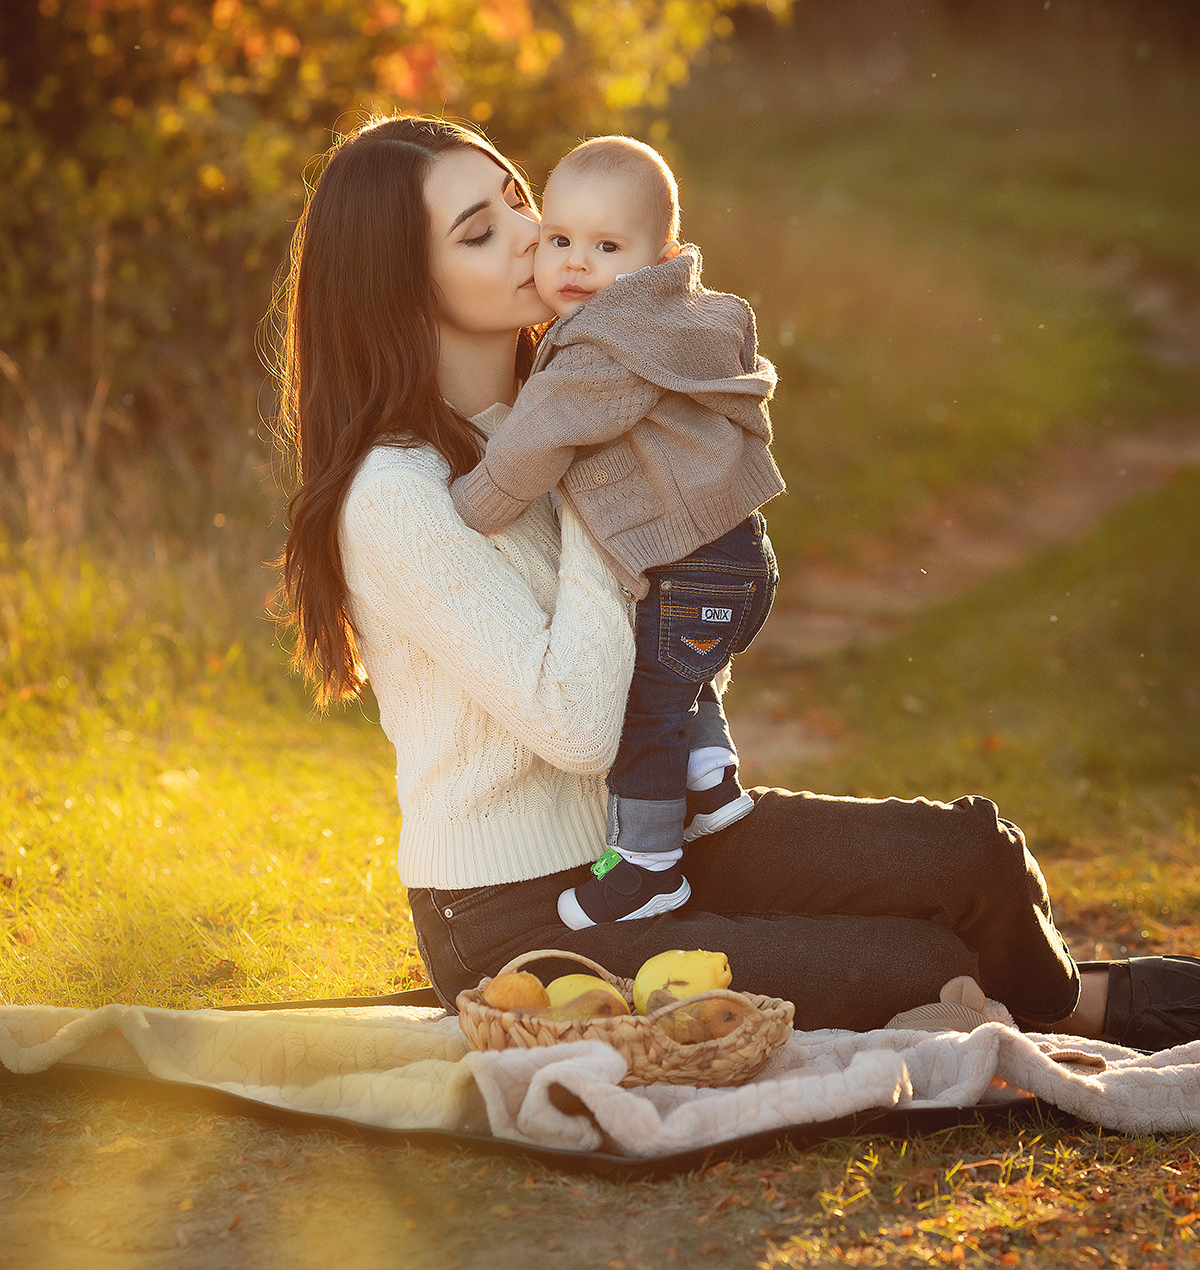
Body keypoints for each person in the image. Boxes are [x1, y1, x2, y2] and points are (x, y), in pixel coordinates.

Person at [274, 110, 1200, 1050]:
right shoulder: (399, 495)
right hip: (518, 917)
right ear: (400, 288)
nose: (531, 234)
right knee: (919, 966)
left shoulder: (579, 400)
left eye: (519, 200)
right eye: (480, 232)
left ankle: (1066, 1003)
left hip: (663, 842)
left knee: (975, 855)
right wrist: (600, 474)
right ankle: (1095, 1009)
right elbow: (579, 724)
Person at [448, 136, 784, 931]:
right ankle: (712, 778)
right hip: (738, 554)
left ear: (659, 257)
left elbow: (533, 443)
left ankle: (645, 866)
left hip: (689, 571)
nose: (575, 263)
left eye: (607, 247)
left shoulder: (601, 349)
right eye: (561, 239)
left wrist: (468, 506)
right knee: (675, 675)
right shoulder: (691, 316)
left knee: (644, 712)